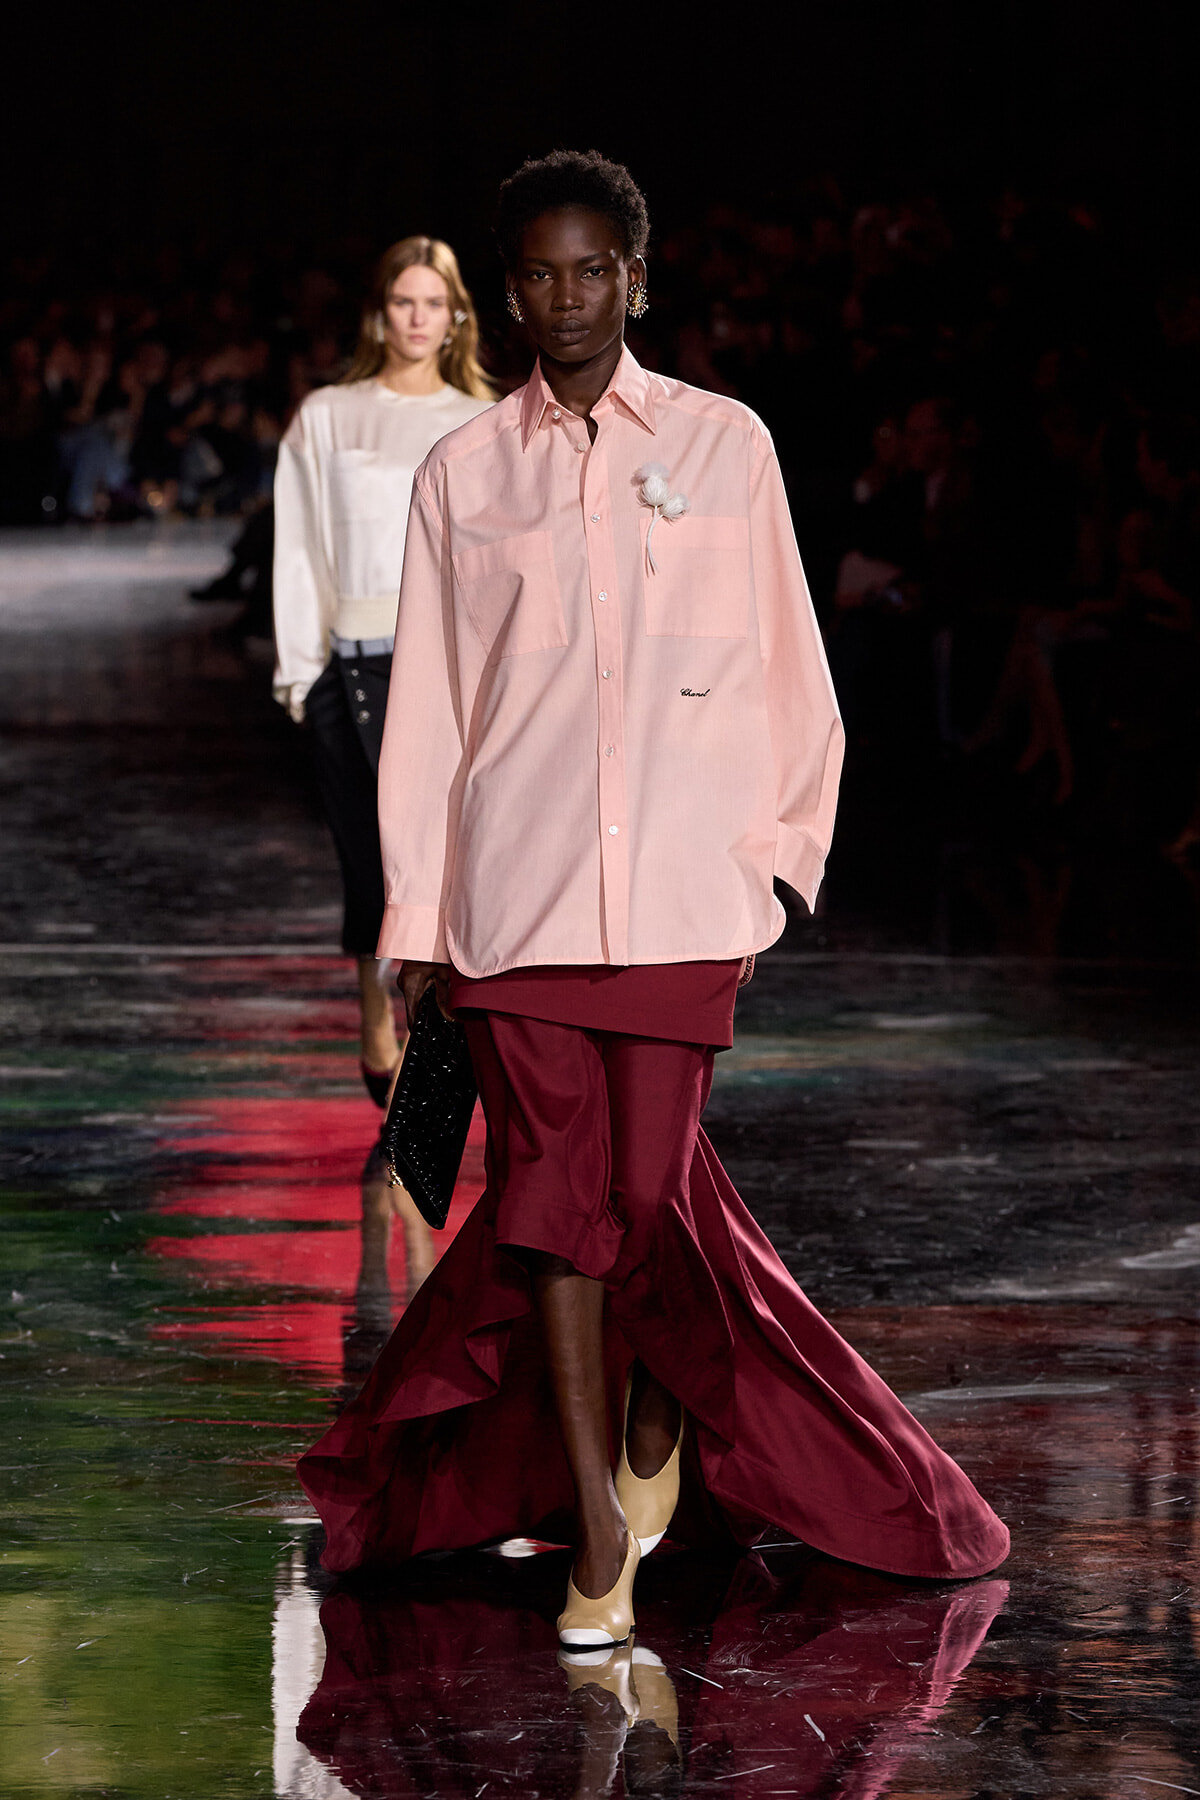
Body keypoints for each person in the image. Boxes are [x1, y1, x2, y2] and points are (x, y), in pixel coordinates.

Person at [299, 152, 1009, 1646]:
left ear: (636, 278)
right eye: (537, 275)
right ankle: (597, 1530)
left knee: (646, 1201)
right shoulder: (462, 473)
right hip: (517, 899)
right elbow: (430, 717)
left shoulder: (726, 443)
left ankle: (651, 1416)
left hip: (686, 897)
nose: (564, 299)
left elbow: (788, 661)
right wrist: (415, 928)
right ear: (509, 294)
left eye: (591, 271)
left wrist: (776, 864)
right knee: (553, 1211)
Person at [272, 237, 494, 1103]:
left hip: (455, 673)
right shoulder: (329, 415)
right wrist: (301, 674)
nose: (417, 318)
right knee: (370, 858)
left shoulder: (487, 418)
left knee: (450, 861)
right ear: (379, 313)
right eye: (404, 301)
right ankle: (376, 1004)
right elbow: (299, 546)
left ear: (457, 317)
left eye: (434, 303)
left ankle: (440, 1033)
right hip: (354, 663)